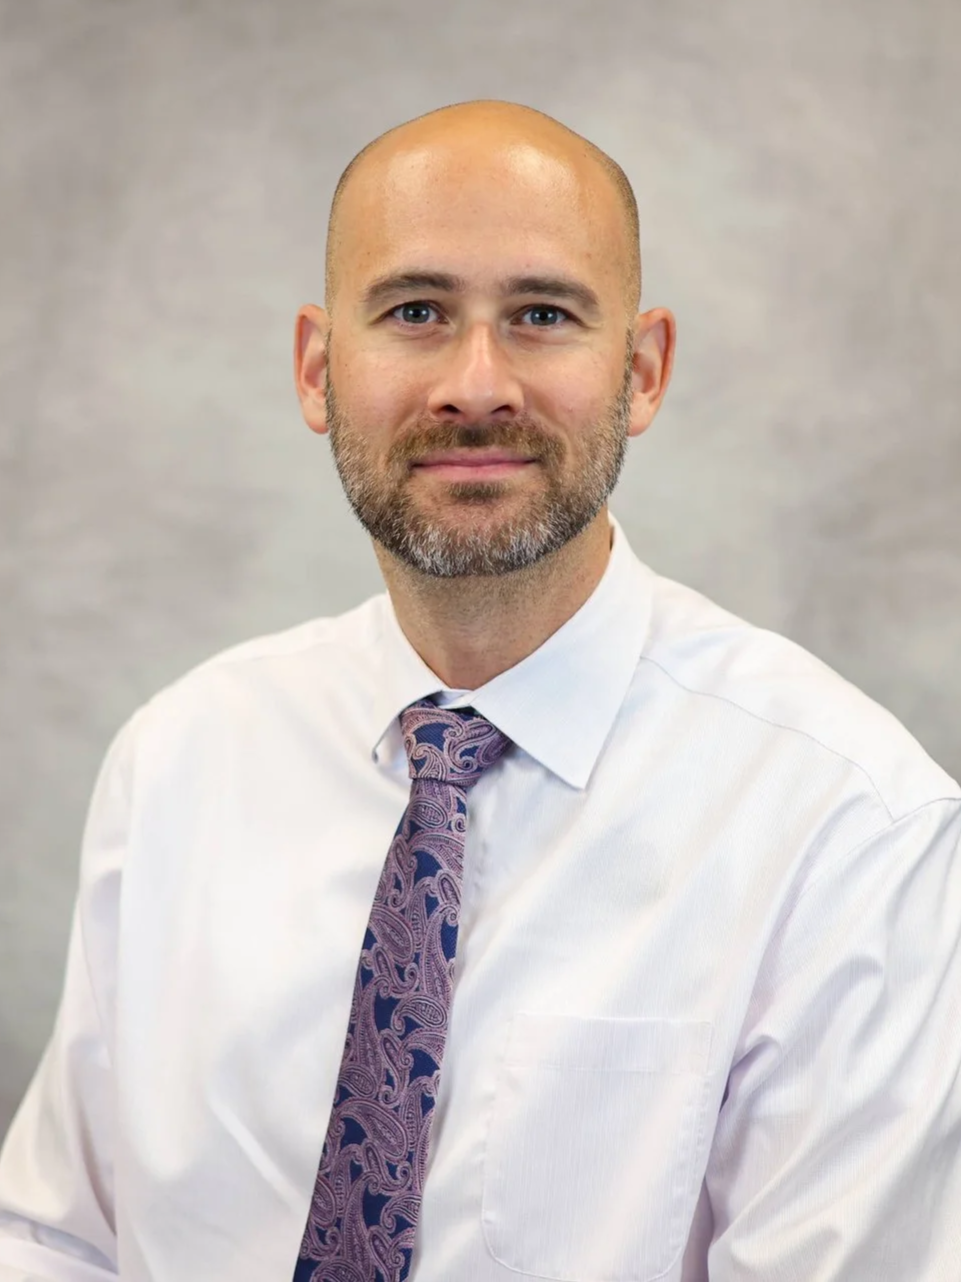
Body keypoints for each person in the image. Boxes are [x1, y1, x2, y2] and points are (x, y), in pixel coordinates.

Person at [0, 98, 959, 1282]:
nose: (475, 384)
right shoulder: (180, 761)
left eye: (542, 315)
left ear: (642, 371)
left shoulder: (847, 827)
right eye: (416, 311)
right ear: (317, 369)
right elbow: (55, 1237)